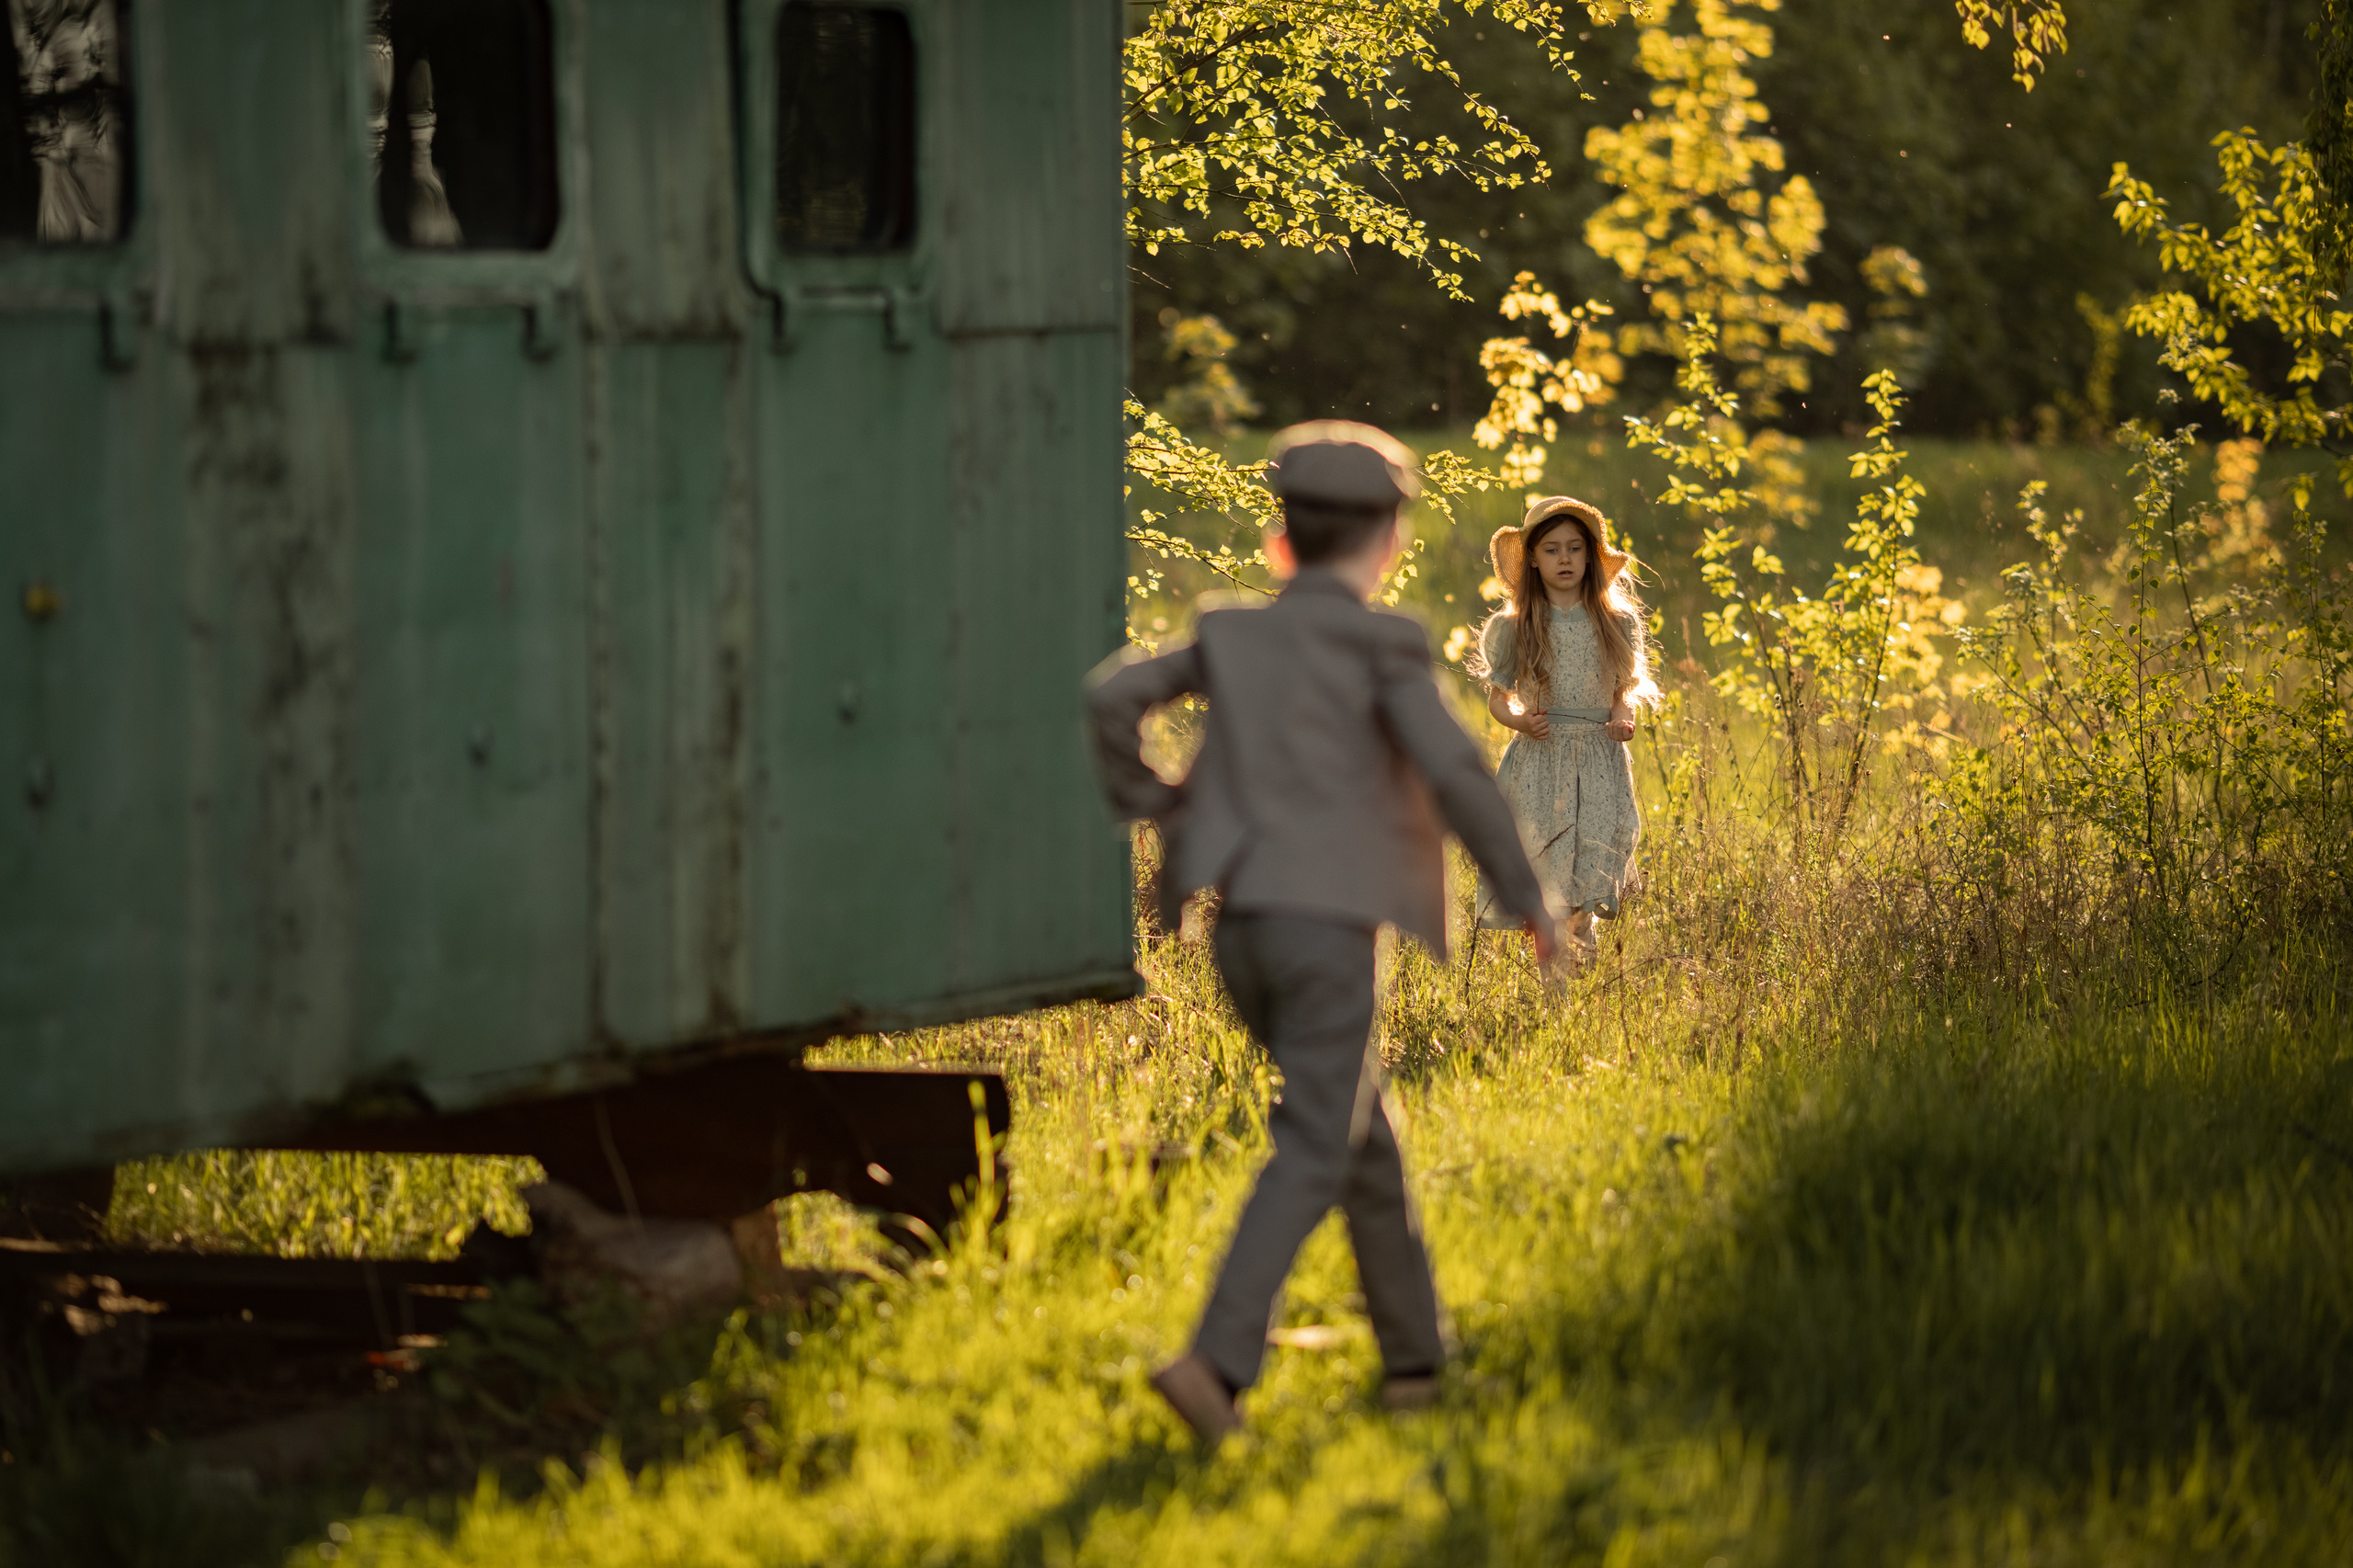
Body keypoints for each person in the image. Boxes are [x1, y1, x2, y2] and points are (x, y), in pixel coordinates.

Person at [1086, 421, 1558, 1444]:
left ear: (1279, 542)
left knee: (1359, 1131)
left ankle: (1414, 1363)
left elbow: (1110, 695)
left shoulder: (1230, 632)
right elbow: (1456, 772)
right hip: (1329, 933)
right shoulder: (1380, 643)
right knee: (1313, 1138)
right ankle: (1214, 1365)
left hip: (1240, 931)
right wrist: (1527, 896)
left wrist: (1159, 798)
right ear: (1389, 540)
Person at [1471, 496, 1658, 961]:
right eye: (1552, 549)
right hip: (1542, 757)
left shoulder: (1615, 622)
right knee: (1548, 876)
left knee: (1589, 870)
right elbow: (1498, 698)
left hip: (1598, 757)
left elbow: (1622, 689)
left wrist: (1620, 714)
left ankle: (1580, 978)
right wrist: (1517, 719)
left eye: (1575, 548)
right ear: (1533, 560)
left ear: (1590, 557)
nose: (1565, 559)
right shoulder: (1515, 625)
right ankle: (1555, 993)